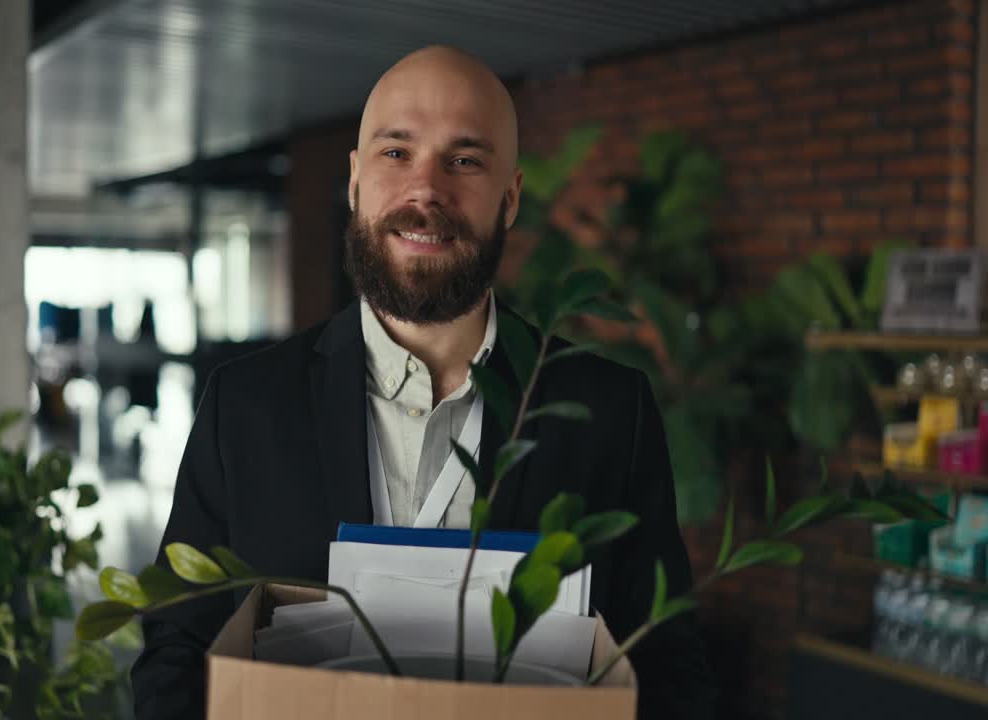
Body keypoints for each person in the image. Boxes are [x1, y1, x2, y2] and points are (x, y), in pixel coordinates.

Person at [130, 45, 716, 719]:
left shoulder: (610, 411)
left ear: (511, 197)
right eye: (396, 152)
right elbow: (177, 647)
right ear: (356, 179)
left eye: (464, 161)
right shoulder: (246, 405)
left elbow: (665, 668)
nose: (426, 190)